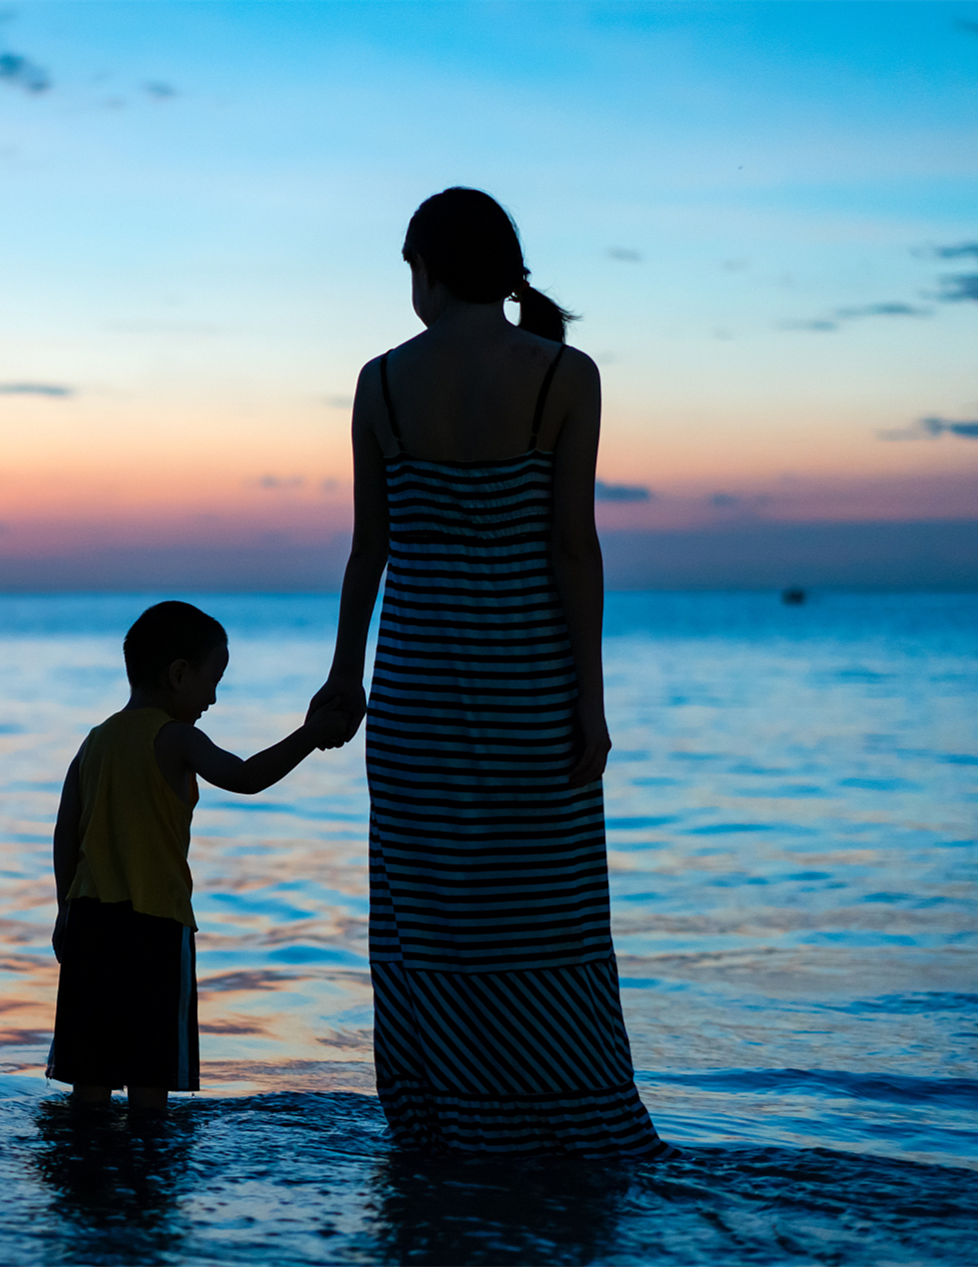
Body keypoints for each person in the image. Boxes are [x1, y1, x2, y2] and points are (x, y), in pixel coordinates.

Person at [306, 188, 667, 1157]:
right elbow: (573, 552)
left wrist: (346, 679)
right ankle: (568, 1123)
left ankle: (439, 1125)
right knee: (547, 919)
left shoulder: (380, 383)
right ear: (503, 269)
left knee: (428, 919)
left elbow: (366, 552)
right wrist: (590, 701)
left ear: (426, 271)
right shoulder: (565, 376)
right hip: (530, 684)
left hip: (417, 692)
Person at [47, 600, 351, 1117]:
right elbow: (246, 777)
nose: (214, 696)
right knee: (150, 1088)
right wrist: (312, 734)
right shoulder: (176, 737)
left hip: (90, 924)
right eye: (214, 680)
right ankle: (149, 1188)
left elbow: (64, 832)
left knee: (89, 1085)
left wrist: (63, 913)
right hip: (155, 927)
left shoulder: (94, 742)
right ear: (179, 674)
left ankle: (85, 1187)